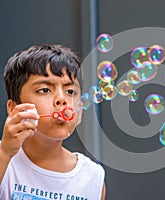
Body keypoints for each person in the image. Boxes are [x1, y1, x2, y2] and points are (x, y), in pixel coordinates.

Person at [0, 44, 106, 200]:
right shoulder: (5, 160)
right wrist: (4, 153)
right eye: (44, 90)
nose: (61, 99)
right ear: (14, 108)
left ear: (79, 113)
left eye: (70, 91)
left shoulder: (92, 177)